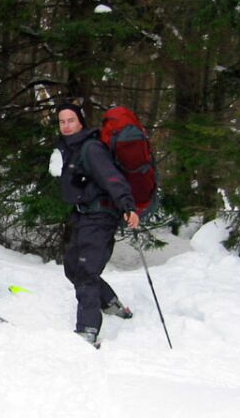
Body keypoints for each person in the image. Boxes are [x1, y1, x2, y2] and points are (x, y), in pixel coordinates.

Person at [55, 102, 139, 346]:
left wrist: (127, 205)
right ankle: (110, 303)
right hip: (84, 215)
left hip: (101, 216)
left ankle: (87, 329)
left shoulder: (91, 148)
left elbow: (112, 177)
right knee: (72, 265)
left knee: (86, 271)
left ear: (80, 121)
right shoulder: (71, 147)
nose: (66, 126)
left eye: (71, 120)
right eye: (62, 121)